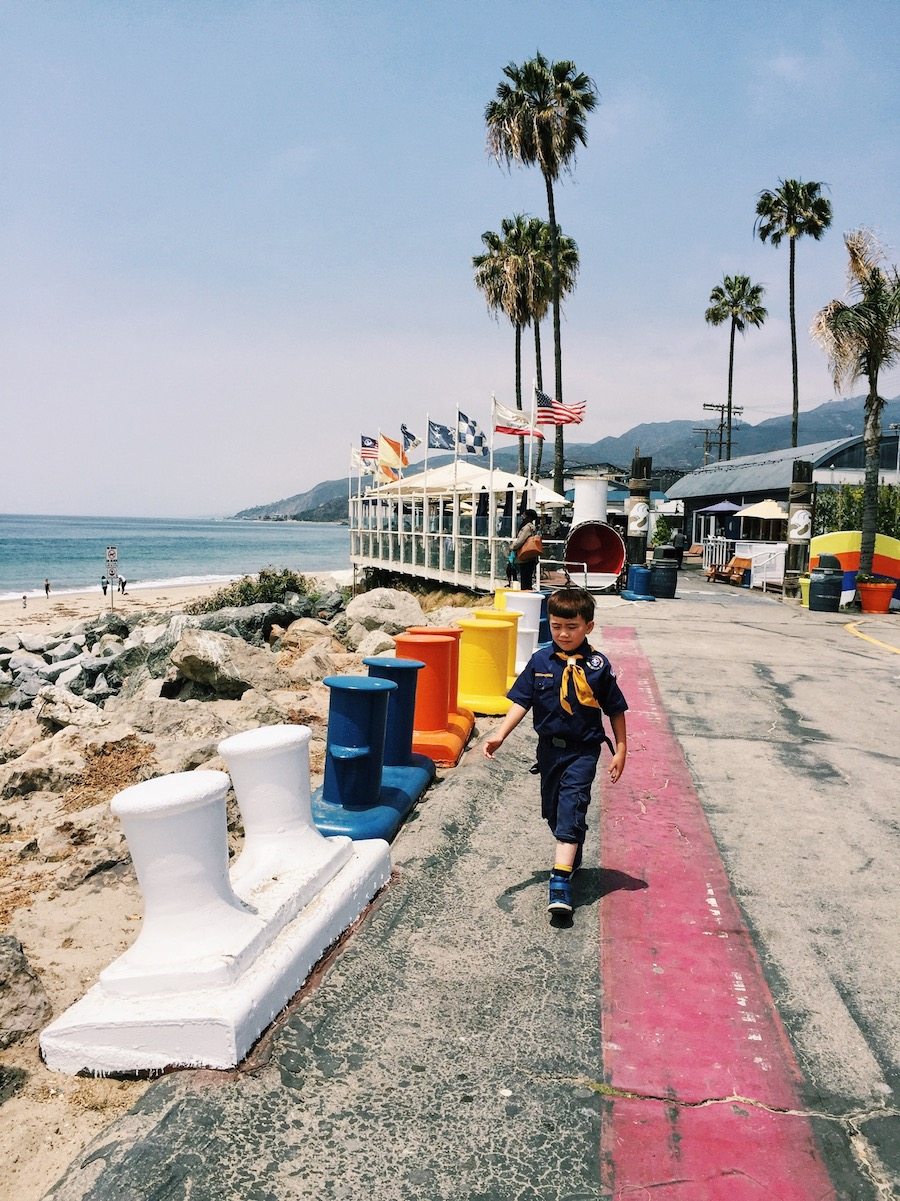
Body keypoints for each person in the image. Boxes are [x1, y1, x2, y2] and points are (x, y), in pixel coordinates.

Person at [483, 587, 628, 918]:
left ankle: (560, 882)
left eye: (572, 627)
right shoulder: (540, 661)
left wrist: (621, 749)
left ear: (588, 626)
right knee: (553, 812)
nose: (563, 633)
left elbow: (616, 710)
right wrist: (500, 735)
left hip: (583, 752)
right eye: (556, 626)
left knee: (572, 807)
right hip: (549, 753)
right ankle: (571, 849)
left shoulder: (598, 666)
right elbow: (522, 701)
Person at [510, 508, 539, 591]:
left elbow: (520, 541)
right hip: (531, 556)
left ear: (528, 517)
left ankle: (525, 594)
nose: (522, 517)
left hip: (525, 557)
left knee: (525, 580)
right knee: (527, 578)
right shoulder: (533, 527)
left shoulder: (527, 528)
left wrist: (512, 547)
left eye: (524, 515)